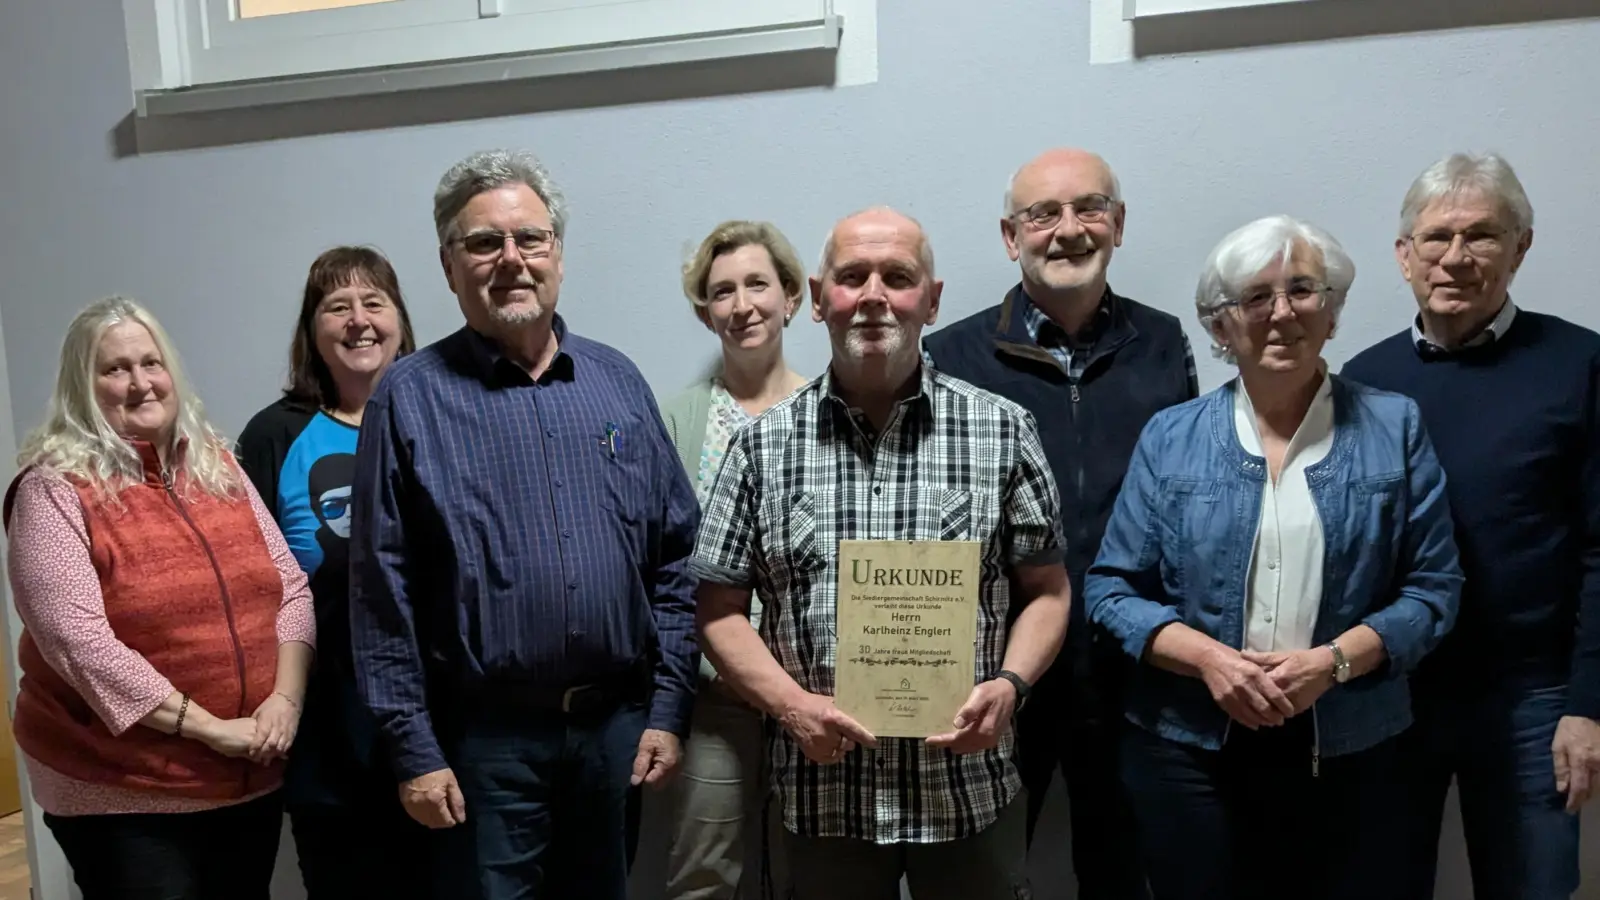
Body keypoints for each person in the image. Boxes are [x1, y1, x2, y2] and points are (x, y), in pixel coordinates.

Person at [347, 148, 701, 900]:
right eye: (484, 242)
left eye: (530, 239)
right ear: (449, 266)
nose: (511, 259)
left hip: (615, 733)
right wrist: (413, 748)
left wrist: (668, 707)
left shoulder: (617, 381)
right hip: (483, 743)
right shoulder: (408, 399)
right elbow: (381, 591)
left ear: (558, 257)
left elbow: (675, 557)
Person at [691, 206, 1072, 900]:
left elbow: (1047, 590)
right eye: (851, 277)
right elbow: (717, 609)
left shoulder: (1003, 430)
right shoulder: (759, 448)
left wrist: (1011, 686)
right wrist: (791, 707)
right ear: (817, 299)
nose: (872, 295)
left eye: (897, 277)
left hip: (966, 790)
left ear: (931, 299)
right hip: (824, 793)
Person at [1084, 214, 1463, 900]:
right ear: (1221, 326)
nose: (1282, 312)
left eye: (1303, 290)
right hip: (1188, 750)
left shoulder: (1394, 426)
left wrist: (1332, 663)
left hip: (1355, 745)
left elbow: (1434, 589)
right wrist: (1210, 662)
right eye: (1256, 297)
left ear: (1332, 311)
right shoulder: (1170, 437)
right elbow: (1111, 590)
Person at [921, 147, 1194, 896]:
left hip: (1131, 669)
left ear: (1118, 224)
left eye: (1089, 208)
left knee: (1119, 873)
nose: (1068, 230)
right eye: (1043, 214)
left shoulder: (1165, 344)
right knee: (983, 876)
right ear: (1012, 237)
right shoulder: (950, 356)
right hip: (998, 674)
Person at [1342, 152, 1600, 899]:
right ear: (1404, 256)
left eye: (1481, 236)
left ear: (1520, 248)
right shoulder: (1364, 381)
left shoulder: (1580, 364)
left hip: (1533, 697)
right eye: (1436, 237)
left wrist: (1588, 705)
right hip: (1393, 691)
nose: (1456, 257)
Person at [3, 296, 316, 900]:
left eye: (152, 363)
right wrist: (209, 729)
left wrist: (284, 700)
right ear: (81, 386)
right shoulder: (54, 490)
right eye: (115, 369)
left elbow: (290, 586)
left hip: (247, 772)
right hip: (122, 791)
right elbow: (79, 644)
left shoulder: (218, 468)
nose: (140, 382)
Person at [237, 246, 427, 898]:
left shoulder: (441, 416)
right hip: (326, 728)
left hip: (440, 717)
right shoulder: (274, 435)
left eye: (374, 302)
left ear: (401, 319)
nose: (358, 320)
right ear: (312, 330)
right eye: (336, 306)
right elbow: (252, 580)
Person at [639, 220, 809, 899]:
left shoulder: (833, 413)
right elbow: (657, 560)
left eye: (757, 285)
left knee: (817, 873)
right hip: (713, 695)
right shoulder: (676, 419)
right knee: (704, 875)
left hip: (814, 695)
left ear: (792, 297)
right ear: (705, 312)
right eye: (721, 291)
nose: (742, 305)